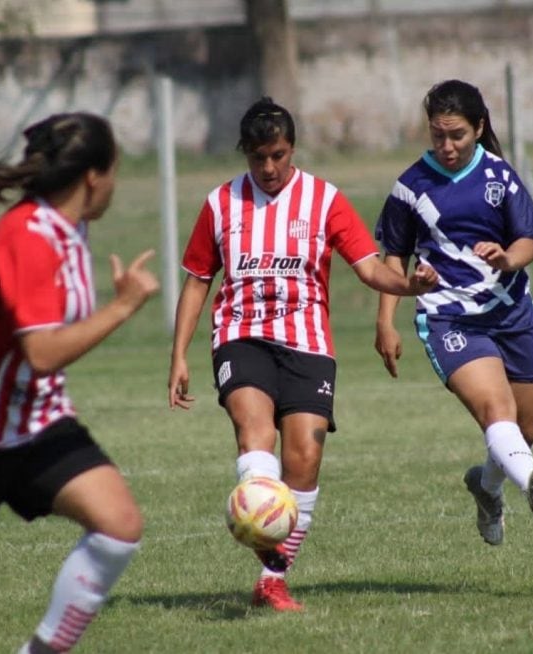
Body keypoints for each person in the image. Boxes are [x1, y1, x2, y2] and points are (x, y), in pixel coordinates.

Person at [168, 97, 437, 611]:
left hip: (308, 342)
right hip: (240, 335)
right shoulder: (221, 204)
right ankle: (254, 512)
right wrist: (179, 354)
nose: (269, 168)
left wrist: (410, 286)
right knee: (255, 432)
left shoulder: (324, 200)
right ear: (245, 154)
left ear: (292, 149)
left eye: (278, 155)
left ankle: (272, 578)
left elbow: (370, 268)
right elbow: (198, 280)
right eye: (258, 157)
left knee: (305, 460)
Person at [0, 112, 160, 653]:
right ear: (93, 178)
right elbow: (41, 352)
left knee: (119, 524)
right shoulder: (26, 237)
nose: (115, 184)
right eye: (115, 171)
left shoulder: (70, 229)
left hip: (35, 422)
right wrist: (123, 306)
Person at [373, 80, 533, 547]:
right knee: (494, 410)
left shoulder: (501, 177)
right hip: (449, 317)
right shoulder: (411, 186)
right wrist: (385, 321)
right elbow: (394, 256)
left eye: (456, 134)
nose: (447, 146)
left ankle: (487, 486)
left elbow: (527, 241)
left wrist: (507, 260)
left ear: (478, 128)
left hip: (511, 312)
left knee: (526, 427)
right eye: (437, 135)